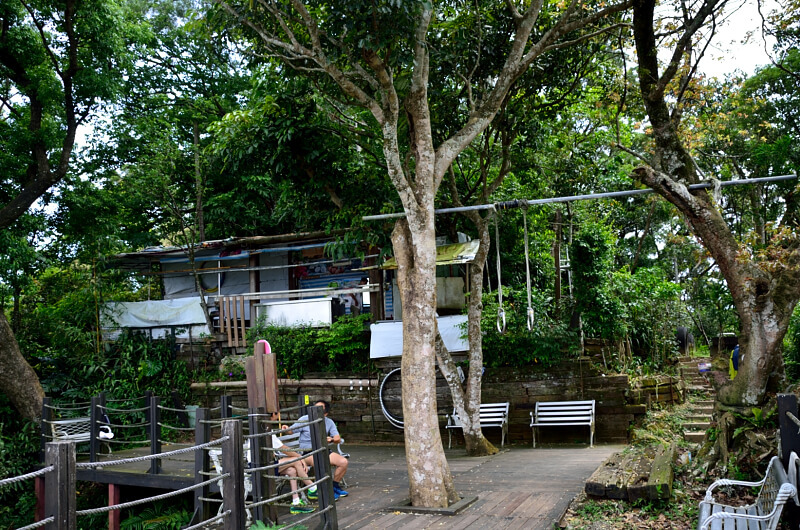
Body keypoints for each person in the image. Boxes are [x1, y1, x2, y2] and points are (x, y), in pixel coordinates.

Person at [288, 400, 349, 500]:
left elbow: (337, 438)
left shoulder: (329, 422)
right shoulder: (305, 419)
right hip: (307, 452)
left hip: (322, 450)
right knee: (320, 461)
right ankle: (321, 491)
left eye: (319, 409)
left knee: (343, 462)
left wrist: (331, 439)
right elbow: (291, 431)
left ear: (325, 413)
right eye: (315, 408)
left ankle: (334, 487)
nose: (315, 410)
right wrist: (287, 428)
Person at [268, 412, 316, 514]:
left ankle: (295, 502)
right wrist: (300, 457)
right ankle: (312, 487)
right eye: (277, 413)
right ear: (273, 414)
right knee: (295, 461)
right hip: (264, 466)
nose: (278, 416)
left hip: (271, 463)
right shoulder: (265, 429)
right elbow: (283, 449)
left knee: (292, 470)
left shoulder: (267, 428)